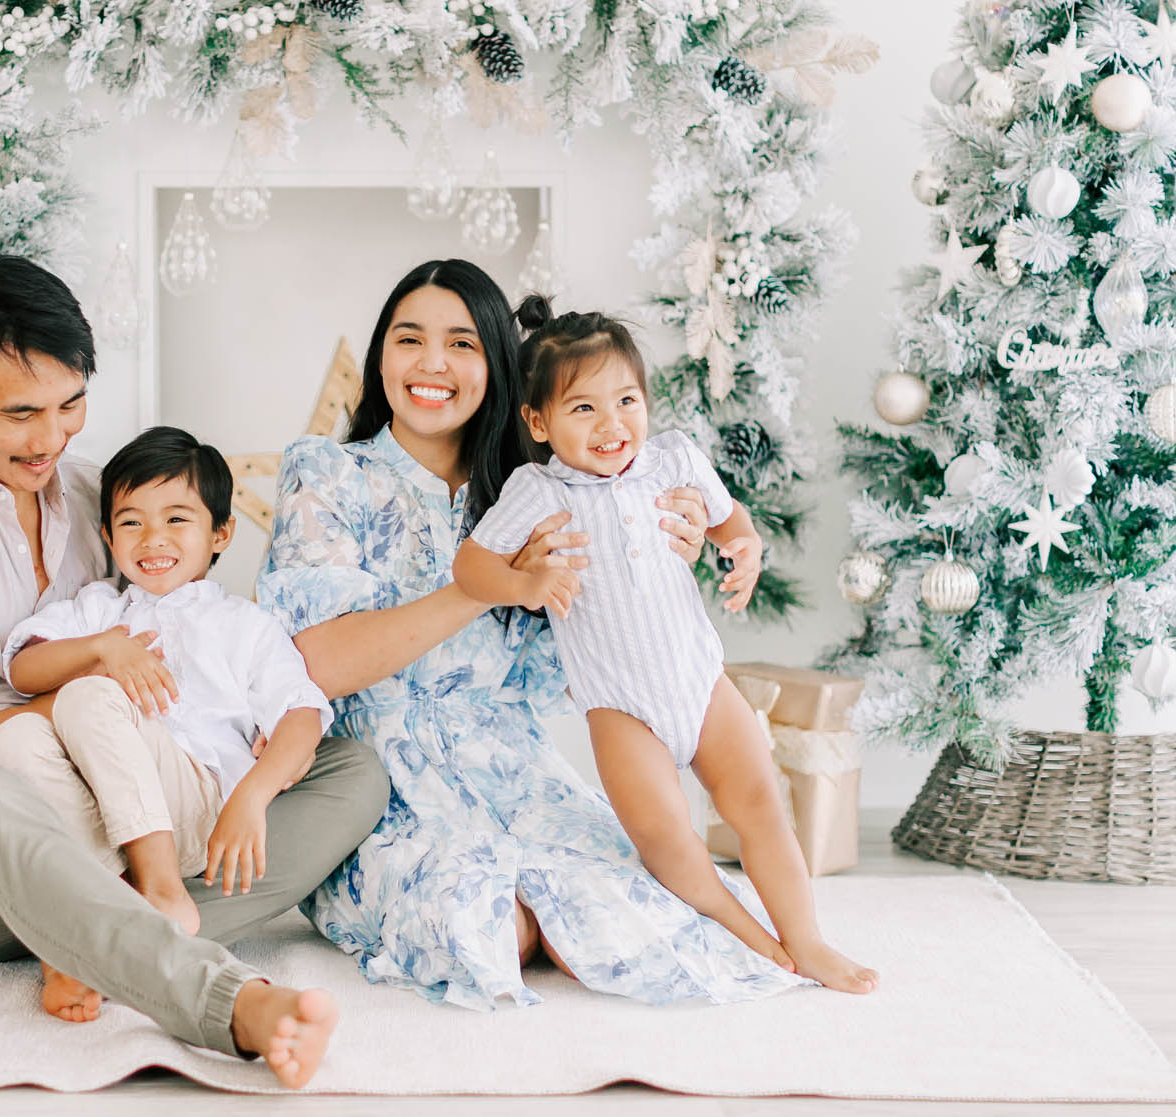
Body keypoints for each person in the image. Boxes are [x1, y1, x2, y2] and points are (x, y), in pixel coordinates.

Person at [0, 256, 388, 1088]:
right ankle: (226, 999)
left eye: (71, 404)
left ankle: (86, 930)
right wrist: (45, 712)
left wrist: (239, 774)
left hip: (108, 800)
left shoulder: (91, 495)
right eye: (21, 413)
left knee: (348, 766)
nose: (51, 438)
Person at [255, 258, 804, 1010]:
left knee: (642, 905)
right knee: (492, 924)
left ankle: (786, 944)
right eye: (409, 339)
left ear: (501, 373)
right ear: (382, 353)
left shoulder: (537, 492)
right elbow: (319, 659)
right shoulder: (325, 471)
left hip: (518, 773)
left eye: (463, 344)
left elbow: (610, 641)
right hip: (382, 784)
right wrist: (486, 585)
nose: (433, 364)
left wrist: (673, 546)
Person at [453, 297, 876, 993]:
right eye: (583, 408)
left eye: (626, 399)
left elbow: (728, 518)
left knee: (761, 802)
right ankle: (742, 927)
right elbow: (471, 566)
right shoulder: (537, 489)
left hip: (699, 682)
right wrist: (524, 583)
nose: (612, 423)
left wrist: (743, 549)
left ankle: (808, 938)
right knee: (664, 837)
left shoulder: (673, 457)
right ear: (538, 422)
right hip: (619, 706)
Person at [0, 426, 330, 998]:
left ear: (220, 533)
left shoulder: (243, 625)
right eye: (131, 522)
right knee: (14, 740)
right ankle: (79, 937)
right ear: (107, 534)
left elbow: (303, 716)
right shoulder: (102, 608)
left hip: (193, 811)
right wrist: (103, 648)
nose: (152, 539)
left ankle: (162, 887)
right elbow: (23, 669)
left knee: (88, 695)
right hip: (105, 811)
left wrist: (252, 797)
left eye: (176, 519)